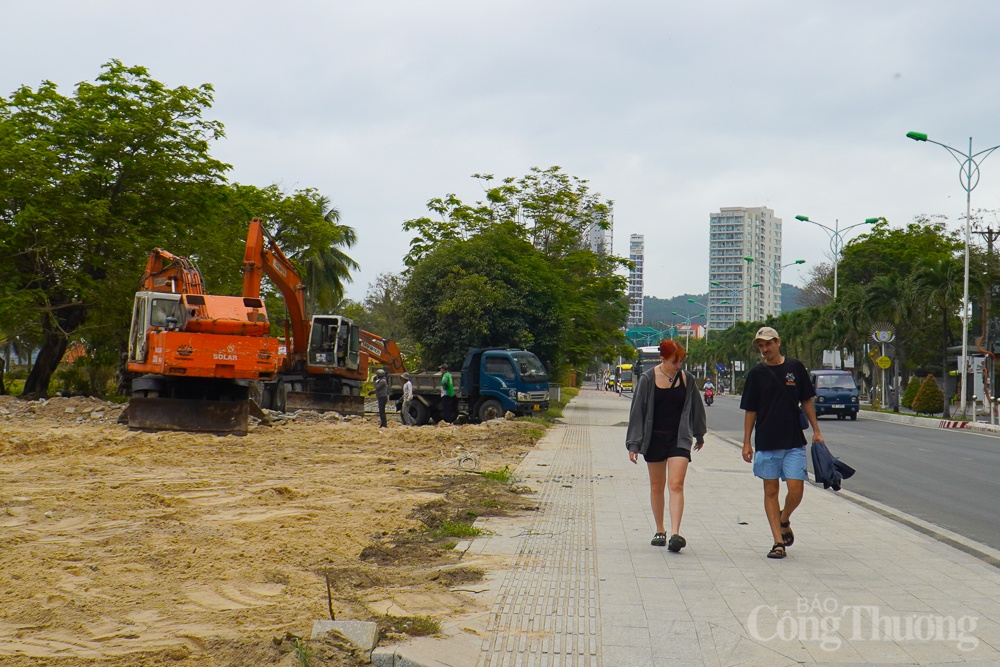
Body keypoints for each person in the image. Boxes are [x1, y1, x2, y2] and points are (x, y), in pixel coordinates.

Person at [740, 326, 823, 559]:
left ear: (778, 342)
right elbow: (750, 410)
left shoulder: (795, 368)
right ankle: (778, 542)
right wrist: (746, 442)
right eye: (760, 345)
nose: (764, 349)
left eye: (768, 344)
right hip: (766, 441)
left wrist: (816, 430)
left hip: (794, 440)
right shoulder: (756, 374)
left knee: (796, 488)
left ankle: (784, 517)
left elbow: (806, 400)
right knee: (770, 490)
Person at [625, 339, 707, 552]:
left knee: (676, 484)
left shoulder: (687, 379)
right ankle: (660, 529)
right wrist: (634, 444)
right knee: (656, 485)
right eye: (674, 361)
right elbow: (637, 412)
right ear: (662, 359)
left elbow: (697, 408)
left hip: (679, 439)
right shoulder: (647, 379)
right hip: (654, 439)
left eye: (680, 361)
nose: (678, 365)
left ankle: (675, 534)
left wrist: (699, 434)